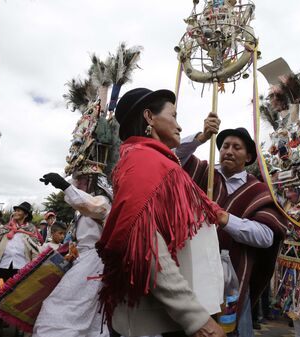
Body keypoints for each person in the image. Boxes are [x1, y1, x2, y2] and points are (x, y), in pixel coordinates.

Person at [96, 88, 227, 337]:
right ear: (149, 117)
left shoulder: (153, 159)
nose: (179, 125)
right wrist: (195, 318)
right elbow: (145, 246)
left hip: (169, 318)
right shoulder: (144, 161)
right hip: (162, 322)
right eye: (174, 116)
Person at [176, 124, 287, 337]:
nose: (228, 150)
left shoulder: (259, 191)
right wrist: (201, 137)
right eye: (225, 145)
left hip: (233, 278)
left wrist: (226, 219)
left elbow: (266, 237)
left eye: (237, 147)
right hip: (193, 272)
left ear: (248, 157)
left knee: (231, 329)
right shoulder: (202, 173)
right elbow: (174, 156)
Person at [33, 173, 112, 337]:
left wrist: (64, 186)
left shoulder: (103, 203)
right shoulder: (80, 212)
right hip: (83, 259)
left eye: (83, 179)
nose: (78, 183)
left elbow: (90, 205)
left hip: (94, 260)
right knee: (89, 312)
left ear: (94, 183)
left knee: (64, 303)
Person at [0, 201, 41, 337]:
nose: (16, 213)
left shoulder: (31, 229)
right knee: (1, 294)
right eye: (16, 210)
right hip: (3, 267)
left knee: (19, 297)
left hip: (21, 268)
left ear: (25, 214)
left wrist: (35, 264)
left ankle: (17, 328)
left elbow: (36, 248)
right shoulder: (6, 227)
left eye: (20, 211)